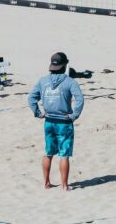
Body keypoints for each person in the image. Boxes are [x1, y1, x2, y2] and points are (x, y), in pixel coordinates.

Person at [27, 52, 84, 191]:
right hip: (64, 122)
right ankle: (64, 186)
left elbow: (31, 98)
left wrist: (38, 113)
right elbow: (80, 99)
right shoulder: (70, 81)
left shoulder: (43, 81)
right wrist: (74, 115)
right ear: (65, 65)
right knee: (64, 154)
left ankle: (46, 183)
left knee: (48, 152)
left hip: (49, 121)